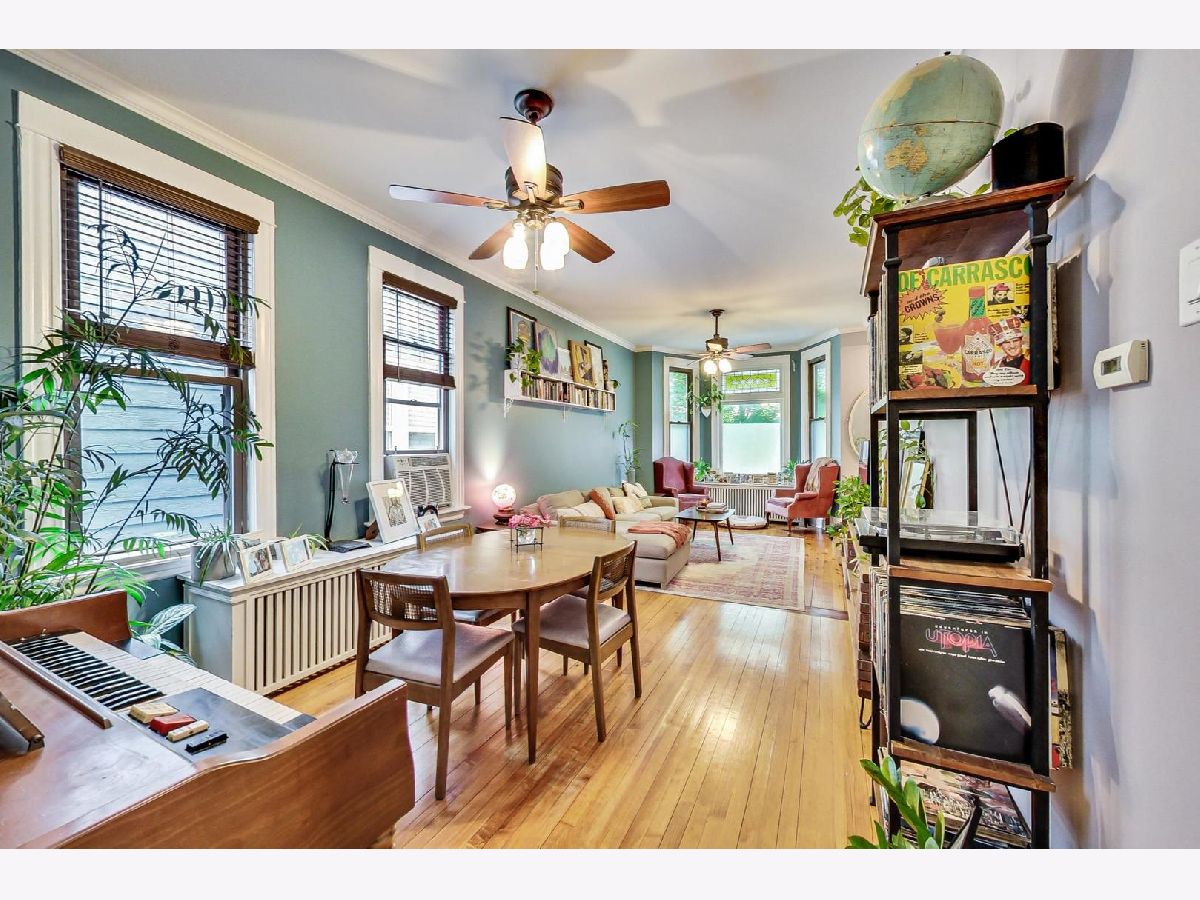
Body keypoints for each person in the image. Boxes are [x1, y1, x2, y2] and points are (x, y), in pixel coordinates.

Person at [990, 316, 1031, 383]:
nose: (1012, 346)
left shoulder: (1030, 364)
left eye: (1015, 341)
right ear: (1000, 346)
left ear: (1021, 342)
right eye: (1007, 342)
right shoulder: (996, 366)